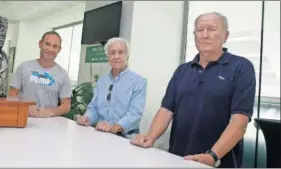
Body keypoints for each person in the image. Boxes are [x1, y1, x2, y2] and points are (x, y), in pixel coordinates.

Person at [131, 12, 256, 168]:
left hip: (218, 161)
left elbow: (239, 121)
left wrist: (213, 155)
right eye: (199, 29)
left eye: (211, 29)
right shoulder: (183, 70)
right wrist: (151, 136)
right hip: (178, 159)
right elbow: (166, 110)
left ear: (226, 35)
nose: (204, 35)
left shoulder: (241, 67)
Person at [76, 37, 147, 139]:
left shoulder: (139, 81)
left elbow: (135, 114)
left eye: (121, 52)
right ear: (107, 56)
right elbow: (94, 107)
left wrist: (114, 127)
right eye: (112, 53)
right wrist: (88, 117)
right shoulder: (102, 81)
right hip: (101, 135)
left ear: (127, 55)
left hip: (125, 137)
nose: (116, 56)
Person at [9, 31, 72, 118]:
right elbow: (12, 94)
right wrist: (23, 107)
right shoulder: (24, 67)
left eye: (55, 46)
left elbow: (66, 106)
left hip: (49, 122)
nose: (50, 49)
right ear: (40, 44)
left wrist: (49, 112)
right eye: (47, 44)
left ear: (59, 49)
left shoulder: (63, 74)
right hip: (23, 118)